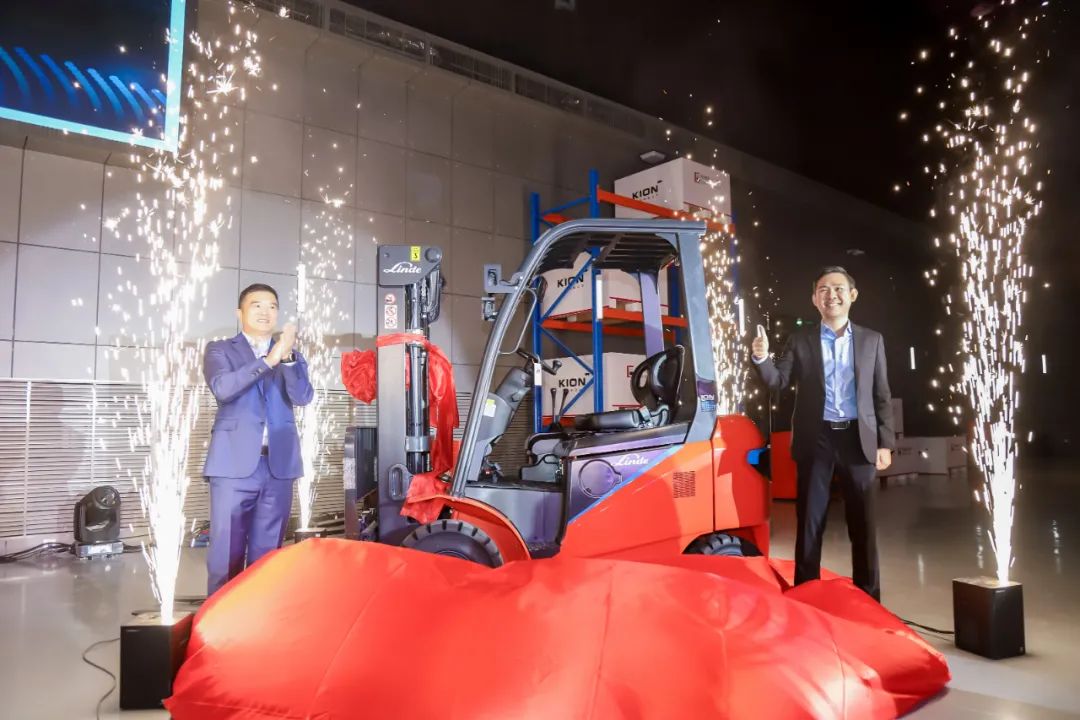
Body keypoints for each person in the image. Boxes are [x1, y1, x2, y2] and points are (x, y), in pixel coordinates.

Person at [751, 266, 894, 600]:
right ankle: (805, 593)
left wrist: (885, 442)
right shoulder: (800, 340)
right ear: (815, 299)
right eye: (824, 290)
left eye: (839, 288)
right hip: (817, 439)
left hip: (859, 439)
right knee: (810, 521)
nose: (832, 295)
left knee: (863, 524)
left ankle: (868, 597)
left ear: (852, 295)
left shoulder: (872, 340)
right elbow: (777, 381)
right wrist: (761, 357)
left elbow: (881, 393)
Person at [203, 283, 314, 595]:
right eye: (257, 305)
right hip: (232, 467)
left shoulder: (292, 355)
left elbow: (303, 397)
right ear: (240, 313)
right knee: (225, 553)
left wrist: (287, 360)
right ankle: (221, 618)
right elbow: (223, 388)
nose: (266, 312)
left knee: (268, 558)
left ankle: (260, 617)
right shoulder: (220, 350)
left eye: (272, 306)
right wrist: (268, 360)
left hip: (278, 467)